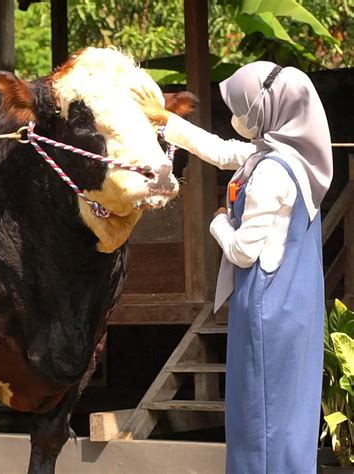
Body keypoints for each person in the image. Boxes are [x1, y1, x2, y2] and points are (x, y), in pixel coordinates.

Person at [133, 61, 333, 474]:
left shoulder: (269, 174)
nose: (235, 118)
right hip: (297, 305)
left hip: (266, 306)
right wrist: (164, 119)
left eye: (241, 108)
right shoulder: (293, 161)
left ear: (265, 112)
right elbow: (224, 152)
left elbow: (243, 251)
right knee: (289, 416)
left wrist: (218, 222)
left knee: (258, 417)